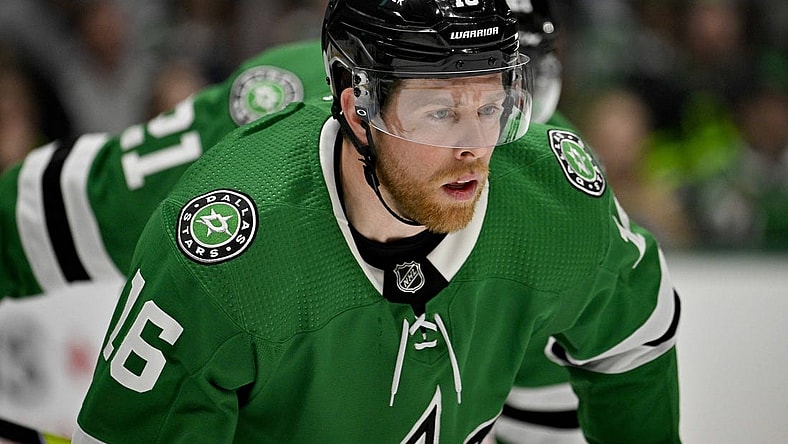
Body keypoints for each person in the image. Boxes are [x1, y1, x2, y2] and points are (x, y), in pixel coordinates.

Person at [71, 0, 681, 442]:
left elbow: (634, 339)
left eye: (491, 106)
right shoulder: (226, 253)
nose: (474, 148)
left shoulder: (551, 198)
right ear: (357, 109)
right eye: (439, 113)